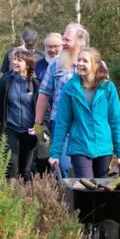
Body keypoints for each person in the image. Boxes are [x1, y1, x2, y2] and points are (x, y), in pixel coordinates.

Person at [48, 47, 120, 178]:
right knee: (87, 187)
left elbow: (116, 121)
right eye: (79, 60)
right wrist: (55, 153)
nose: (79, 63)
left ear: (96, 65)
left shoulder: (108, 88)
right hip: (79, 146)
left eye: (85, 61)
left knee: (102, 189)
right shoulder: (70, 88)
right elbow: (62, 122)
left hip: (103, 147)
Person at [34, 22, 90, 178]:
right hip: (60, 124)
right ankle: (63, 200)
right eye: (63, 39)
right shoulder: (55, 65)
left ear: (79, 41)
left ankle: (83, 198)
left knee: (86, 169)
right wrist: (37, 125)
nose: (62, 43)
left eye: (66, 40)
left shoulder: (96, 64)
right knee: (61, 166)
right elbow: (44, 93)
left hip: (87, 125)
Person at [0, 49, 39, 182]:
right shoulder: (6, 80)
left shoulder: (37, 83)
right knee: (11, 165)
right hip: (10, 128)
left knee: (27, 168)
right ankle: (10, 197)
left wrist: (40, 128)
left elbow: (44, 111)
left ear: (28, 64)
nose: (14, 62)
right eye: (14, 59)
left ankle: (27, 199)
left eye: (19, 60)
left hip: (31, 131)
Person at [32, 32, 63, 177]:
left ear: (62, 46)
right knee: (42, 154)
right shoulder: (36, 66)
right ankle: (43, 184)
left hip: (60, 119)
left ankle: (59, 188)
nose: (52, 50)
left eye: (56, 46)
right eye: (49, 46)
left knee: (61, 158)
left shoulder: (68, 66)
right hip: (40, 120)